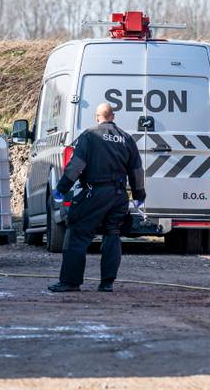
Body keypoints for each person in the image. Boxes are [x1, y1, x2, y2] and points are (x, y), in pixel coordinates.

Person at [48, 102, 145, 293]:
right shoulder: (126, 138)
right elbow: (137, 171)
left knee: (77, 233)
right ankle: (107, 283)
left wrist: (61, 188)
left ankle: (70, 282)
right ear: (113, 117)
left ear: (96, 117)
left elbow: (76, 166)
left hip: (94, 193)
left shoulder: (90, 135)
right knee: (112, 233)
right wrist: (139, 195)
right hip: (118, 196)